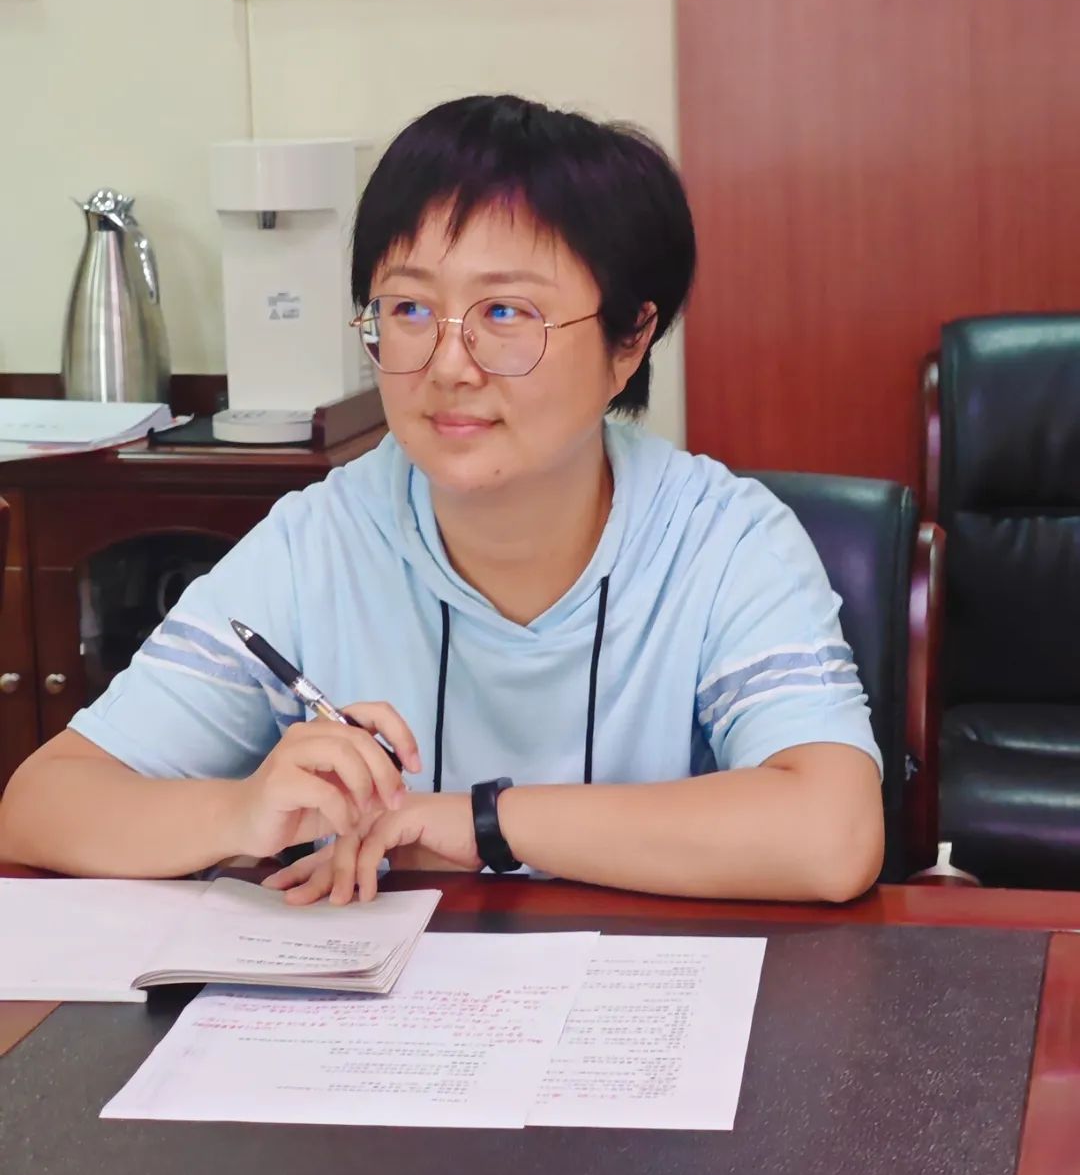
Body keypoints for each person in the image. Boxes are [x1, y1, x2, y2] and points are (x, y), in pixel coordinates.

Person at [0, 95, 883, 905]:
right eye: (410, 310)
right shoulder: (320, 542)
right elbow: (43, 803)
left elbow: (832, 835)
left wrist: (477, 823)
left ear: (629, 340)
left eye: (505, 314)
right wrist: (242, 811)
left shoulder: (722, 541)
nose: (449, 365)